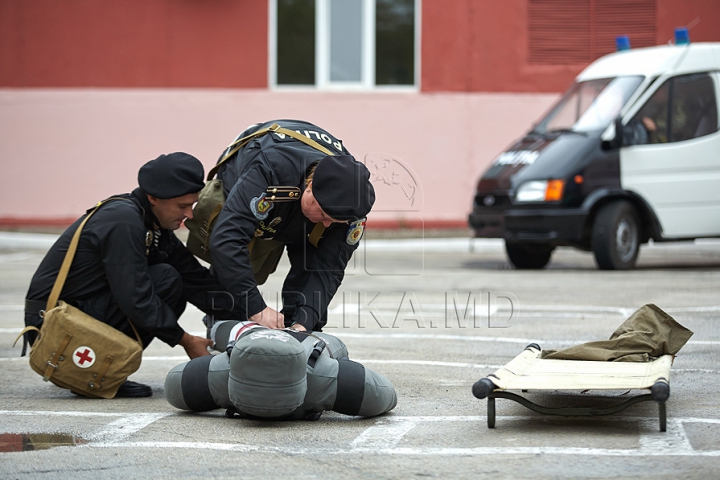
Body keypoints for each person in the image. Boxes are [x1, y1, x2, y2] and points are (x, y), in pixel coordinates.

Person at [23, 153, 232, 397]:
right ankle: (97, 371)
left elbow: (196, 279)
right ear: (153, 198)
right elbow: (135, 298)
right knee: (165, 280)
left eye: (191, 205)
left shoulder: (151, 223)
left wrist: (252, 314)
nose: (190, 215)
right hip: (52, 323)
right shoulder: (123, 221)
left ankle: (105, 370)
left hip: (80, 311)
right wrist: (185, 340)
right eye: (182, 206)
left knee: (173, 277)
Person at [209, 119, 375, 333]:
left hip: (299, 198)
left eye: (333, 221)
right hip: (244, 167)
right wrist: (256, 308)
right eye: (324, 214)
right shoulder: (270, 169)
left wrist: (304, 323)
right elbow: (226, 241)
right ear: (310, 186)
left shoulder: (352, 204)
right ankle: (224, 329)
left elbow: (329, 269)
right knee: (234, 271)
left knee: (310, 268)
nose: (326, 223)